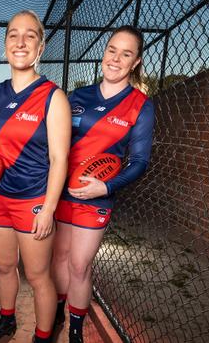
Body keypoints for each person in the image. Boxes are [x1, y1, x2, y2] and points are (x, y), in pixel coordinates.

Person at [0, 10, 71, 343]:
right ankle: (6, 321)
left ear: (41, 46)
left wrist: (48, 208)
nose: (20, 42)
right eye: (13, 34)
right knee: (4, 267)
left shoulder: (53, 97)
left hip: (32, 200)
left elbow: (59, 159)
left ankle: (43, 336)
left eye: (29, 35)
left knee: (37, 276)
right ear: (5, 45)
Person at [51, 25, 155, 343]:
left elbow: (139, 161)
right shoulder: (76, 97)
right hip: (62, 192)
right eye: (112, 50)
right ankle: (55, 310)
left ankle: (76, 329)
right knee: (58, 258)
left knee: (80, 265)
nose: (115, 58)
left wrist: (106, 188)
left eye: (126, 54)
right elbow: (54, 144)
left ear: (135, 62)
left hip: (95, 197)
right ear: (104, 52)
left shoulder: (140, 105)